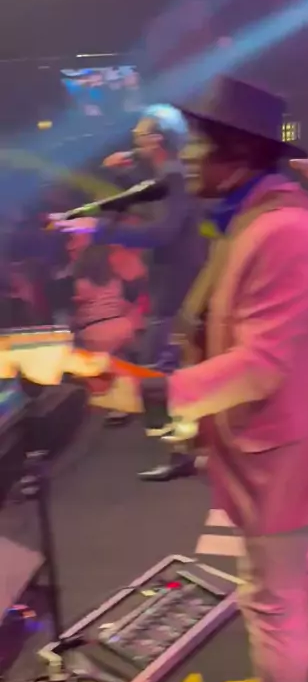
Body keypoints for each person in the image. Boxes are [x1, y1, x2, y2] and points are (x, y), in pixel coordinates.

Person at [139, 78, 308, 682]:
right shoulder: (256, 218)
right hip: (284, 445)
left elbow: (261, 364)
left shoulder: (283, 231)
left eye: (195, 142)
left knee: (269, 600)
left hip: (280, 451)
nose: (184, 156)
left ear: (236, 151)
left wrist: (159, 392)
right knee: (299, 564)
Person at [53, 104, 207, 480]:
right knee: (171, 368)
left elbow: (161, 232)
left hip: (178, 287)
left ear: (156, 140)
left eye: (139, 136)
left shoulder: (174, 177)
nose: (134, 142)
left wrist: (96, 229)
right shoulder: (168, 175)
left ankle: (184, 450)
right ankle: (185, 448)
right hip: (176, 285)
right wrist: (123, 177)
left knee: (161, 369)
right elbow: (148, 205)